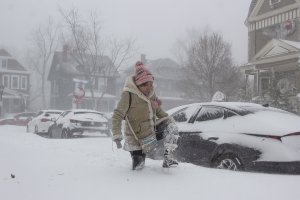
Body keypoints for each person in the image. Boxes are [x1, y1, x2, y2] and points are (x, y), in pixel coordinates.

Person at [112, 61, 179, 170]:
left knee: (171, 126)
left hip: (150, 133)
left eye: (150, 84)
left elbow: (159, 111)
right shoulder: (128, 95)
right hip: (136, 138)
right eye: (145, 85)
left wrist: (169, 120)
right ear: (138, 84)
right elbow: (117, 115)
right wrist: (117, 134)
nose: (149, 88)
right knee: (139, 167)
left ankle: (168, 158)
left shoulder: (151, 94)